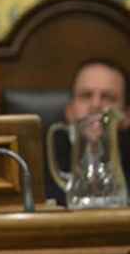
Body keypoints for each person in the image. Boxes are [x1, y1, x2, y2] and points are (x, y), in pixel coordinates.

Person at [46, 59, 130, 206]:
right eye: (86, 95)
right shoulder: (43, 163)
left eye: (108, 97)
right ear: (70, 111)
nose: (95, 105)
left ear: (126, 115)